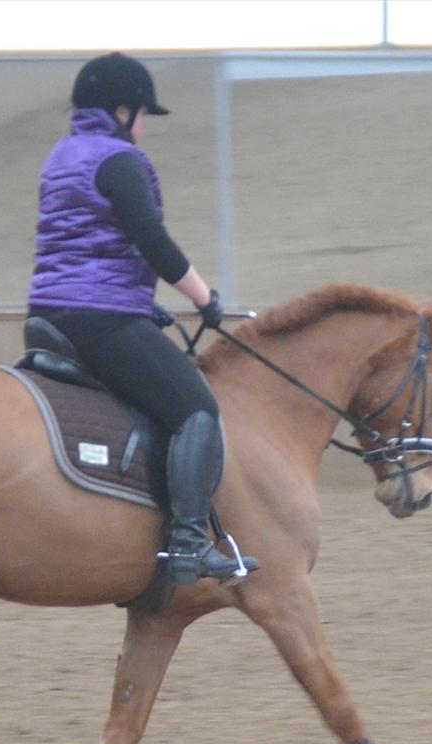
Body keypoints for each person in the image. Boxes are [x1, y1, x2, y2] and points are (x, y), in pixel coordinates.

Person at [26, 52, 258, 585]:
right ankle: (188, 542)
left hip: (50, 313)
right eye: (143, 114)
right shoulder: (120, 159)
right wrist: (204, 298)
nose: (144, 126)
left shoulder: (61, 156)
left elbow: (82, 245)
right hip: (98, 320)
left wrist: (139, 301)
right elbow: (152, 241)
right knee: (197, 409)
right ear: (123, 111)